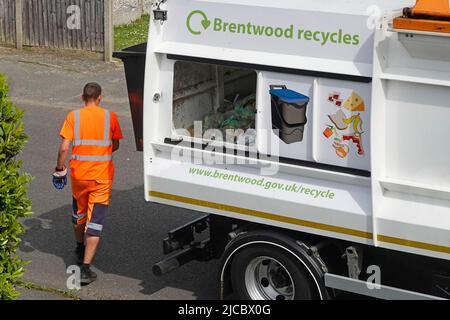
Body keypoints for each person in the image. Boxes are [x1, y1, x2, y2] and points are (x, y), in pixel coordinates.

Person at [52, 83, 123, 284]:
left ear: (83, 97)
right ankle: (84, 269)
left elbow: (64, 148)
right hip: (101, 177)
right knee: (95, 221)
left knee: (79, 213)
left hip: (79, 176)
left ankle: (79, 245)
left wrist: (59, 168)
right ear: (100, 97)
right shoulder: (111, 117)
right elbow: (115, 144)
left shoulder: (73, 116)